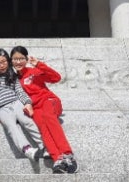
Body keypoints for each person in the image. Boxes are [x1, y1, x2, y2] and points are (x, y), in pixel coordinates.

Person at [10, 45, 78, 174]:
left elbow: (56, 78)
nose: (18, 62)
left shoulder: (33, 71)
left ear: (26, 59)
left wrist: (39, 65)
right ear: (11, 61)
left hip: (49, 101)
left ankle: (68, 154)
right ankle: (58, 159)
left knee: (48, 118)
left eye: (21, 58)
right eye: (15, 59)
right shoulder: (13, 79)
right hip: (35, 108)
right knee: (42, 127)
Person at [0, 48, 46, 161]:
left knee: (28, 122)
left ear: (8, 61)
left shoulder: (13, 76)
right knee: (11, 127)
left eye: (4, 61)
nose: (1, 65)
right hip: (2, 109)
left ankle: (44, 146)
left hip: (17, 103)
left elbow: (20, 92)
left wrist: (27, 103)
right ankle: (27, 149)